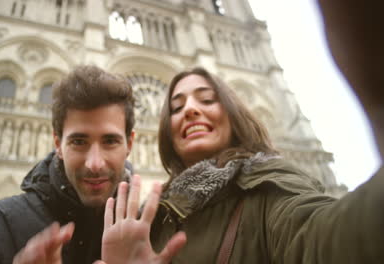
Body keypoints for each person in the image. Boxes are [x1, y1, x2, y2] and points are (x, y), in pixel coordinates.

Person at [99, 1, 384, 262]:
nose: (190, 109)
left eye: (208, 99)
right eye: (175, 106)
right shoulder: (149, 219)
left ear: (235, 115)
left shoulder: (269, 191)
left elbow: (326, 240)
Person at [0, 65, 138, 264]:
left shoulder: (150, 231)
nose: (95, 164)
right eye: (79, 142)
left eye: (110, 141)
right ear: (58, 144)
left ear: (130, 144)